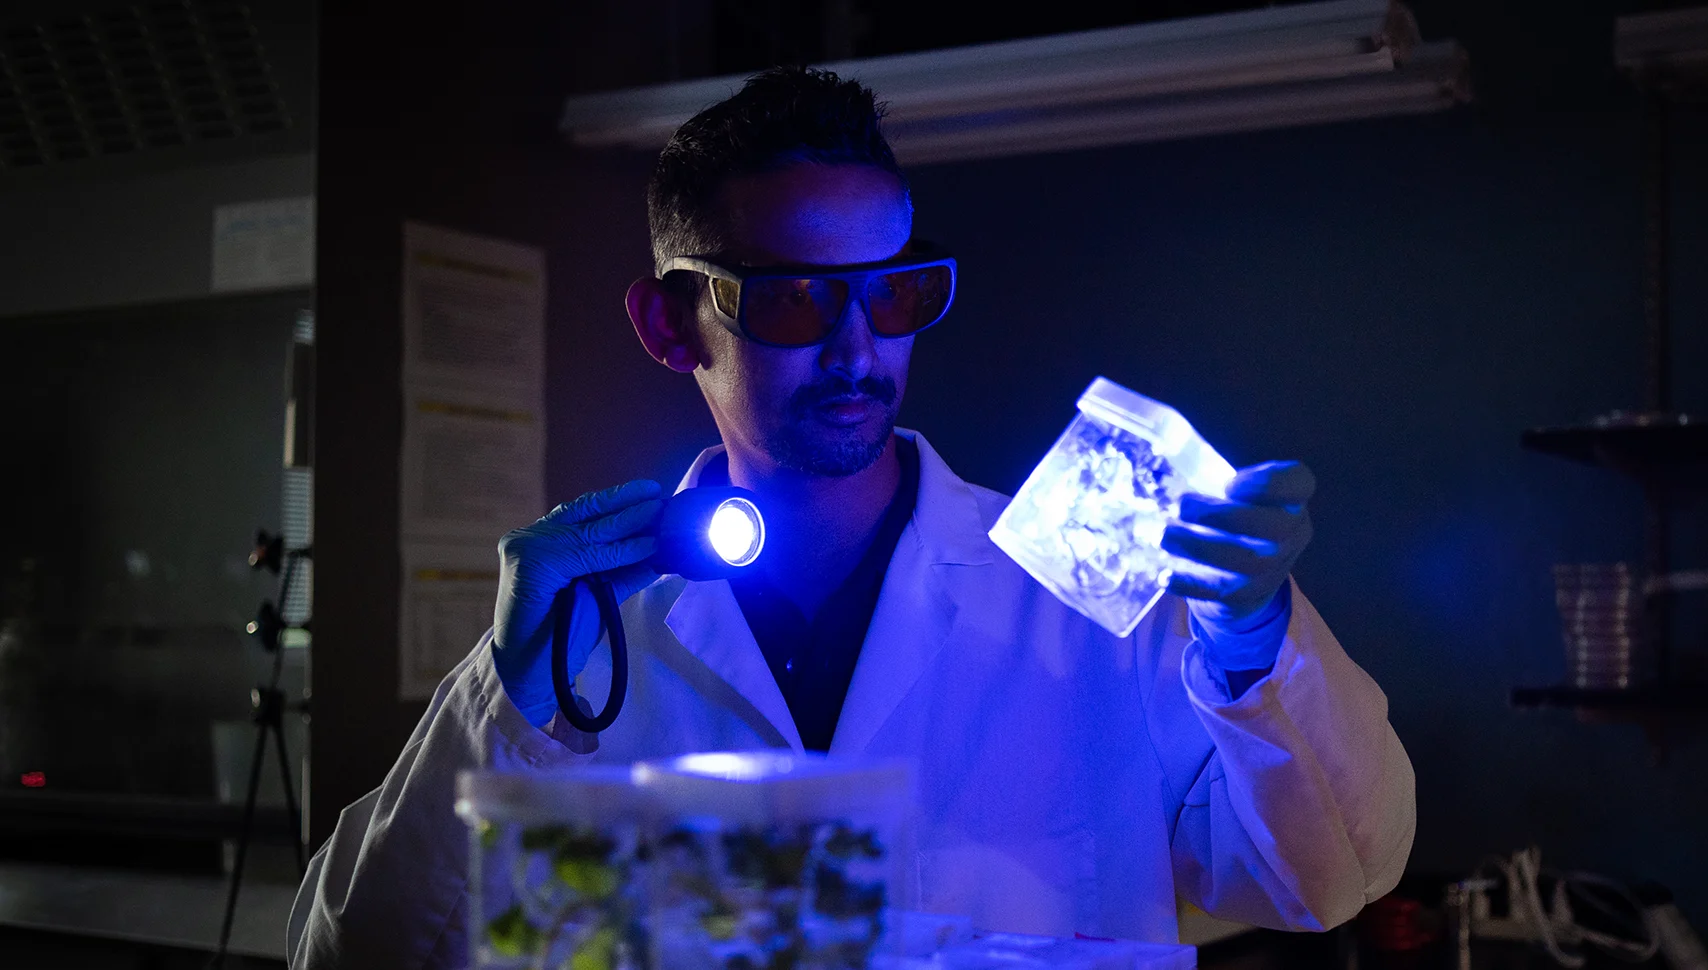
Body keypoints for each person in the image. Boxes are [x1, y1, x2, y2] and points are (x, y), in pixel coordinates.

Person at [289, 66, 1414, 968]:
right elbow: (356, 953)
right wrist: (508, 705)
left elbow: (1333, 880)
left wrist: (1252, 641)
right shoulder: (587, 656)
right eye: (793, 297)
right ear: (669, 324)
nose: (857, 348)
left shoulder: (1078, 595)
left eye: (894, 291)